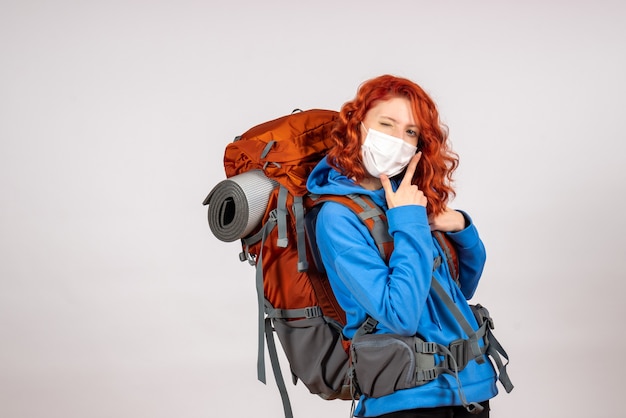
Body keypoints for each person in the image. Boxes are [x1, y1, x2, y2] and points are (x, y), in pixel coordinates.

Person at [306, 75, 498, 417]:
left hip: (467, 389)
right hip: (406, 399)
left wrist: (461, 227)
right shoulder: (337, 217)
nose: (399, 139)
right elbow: (401, 316)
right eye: (386, 124)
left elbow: (462, 288)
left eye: (410, 131)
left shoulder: (403, 195)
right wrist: (408, 220)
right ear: (356, 127)